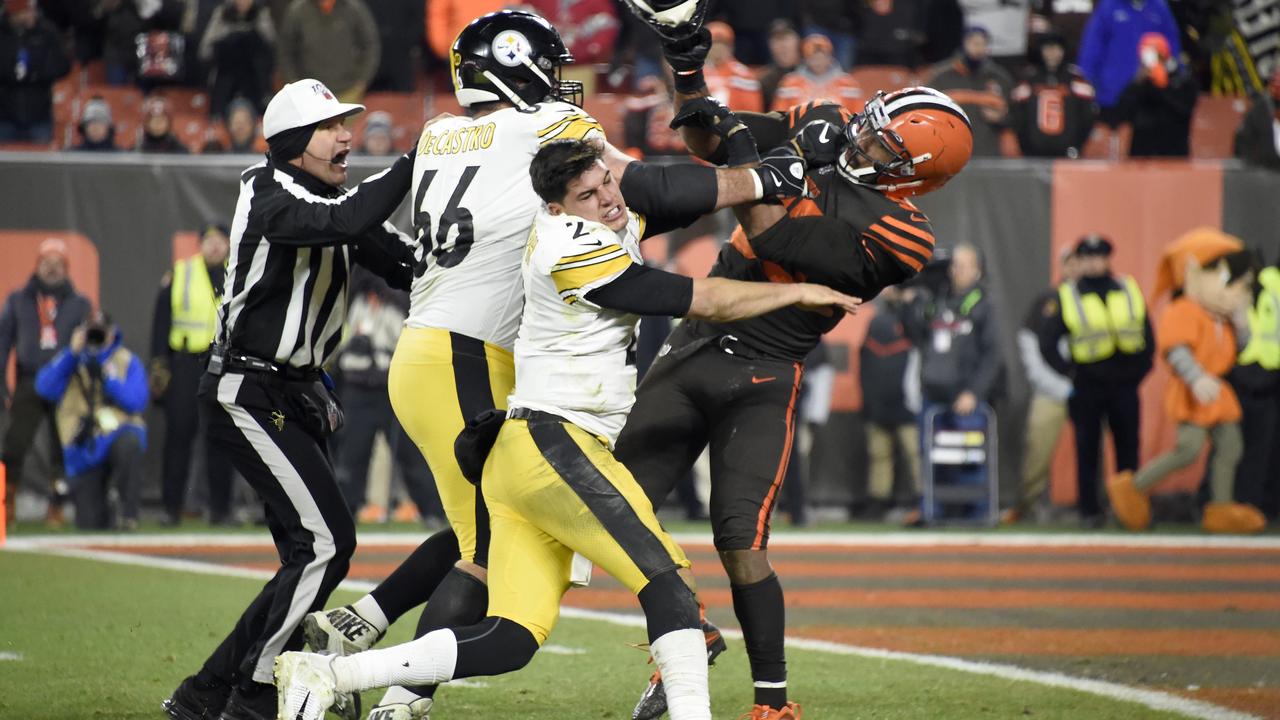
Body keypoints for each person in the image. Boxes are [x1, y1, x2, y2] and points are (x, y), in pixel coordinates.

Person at [296, 12, 807, 719]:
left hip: (444, 349)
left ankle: (363, 632)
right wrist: (754, 183)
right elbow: (643, 195)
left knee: (500, 530)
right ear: (517, 66)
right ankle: (387, 697)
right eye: (548, 65)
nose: (562, 82)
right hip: (468, 353)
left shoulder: (442, 131)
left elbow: (621, 216)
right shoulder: (543, 130)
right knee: (485, 548)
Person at [616, 18, 973, 718]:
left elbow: (770, 229)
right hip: (692, 345)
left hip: (762, 373)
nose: (862, 139)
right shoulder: (824, 120)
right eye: (869, 125)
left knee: (740, 540)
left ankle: (773, 703)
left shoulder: (902, 235)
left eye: (882, 143)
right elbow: (707, 140)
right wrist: (689, 74)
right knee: (610, 509)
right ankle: (688, 629)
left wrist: (763, 159)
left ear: (914, 172)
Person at [162, 77, 419, 720]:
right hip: (243, 388)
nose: (346, 137)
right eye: (332, 127)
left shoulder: (331, 198)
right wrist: (421, 160)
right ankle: (253, 693)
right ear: (293, 141)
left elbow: (405, 263)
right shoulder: (266, 189)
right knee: (327, 543)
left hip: (292, 393)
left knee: (310, 556)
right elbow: (346, 219)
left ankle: (206, 692)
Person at [1107, 229, 1265, 534]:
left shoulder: (1223, 319)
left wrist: (1243, 324)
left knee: (1231, 445)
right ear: (1194, 273)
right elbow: (1177, 351)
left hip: (1219, 390)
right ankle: (1132, 489)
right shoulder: (1183, 311)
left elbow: (1240, 351)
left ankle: (1221, 507)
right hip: (1196, 390)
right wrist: (1195, 379)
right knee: (1188, 449)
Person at [1039, 234, 1153, 527]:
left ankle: (1129, 510)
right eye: (1087, 258)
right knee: (1087, 451)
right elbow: (1047, 342)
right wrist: (1071, 373)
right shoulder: (1069, 294)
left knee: (1128, 451)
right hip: (1088, 385)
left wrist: (1138, 372)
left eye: (1098, 257)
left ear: (1107, 259)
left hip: (1125, 385)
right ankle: (1090, 511)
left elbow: (1147, 335)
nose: (1093, 263)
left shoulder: (1127, 288)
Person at [900, 243, 1003, 520]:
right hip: (933, 393)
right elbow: (918, 338)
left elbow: (993, 355)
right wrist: (910, 306)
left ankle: (978, 512)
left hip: (966, 396)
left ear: (978, 271)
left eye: (963, 265)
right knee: (930, 455)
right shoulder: (937, 299)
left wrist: (974, 392)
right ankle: (933, 510)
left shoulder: (983, 305)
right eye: (954, 265)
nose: (956, 270)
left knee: (970, 455)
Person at [333, 265, 442, 524]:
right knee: (353, 454)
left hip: (390, 388)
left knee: (411, 455)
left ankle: (433, 510)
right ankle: (346, 511)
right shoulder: (354, 302)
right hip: (357, 388)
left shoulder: (399, 303)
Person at [0, 238, 92, 525]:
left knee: (61, 448)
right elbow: (3, 343)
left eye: (57, 264)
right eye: (46, 263)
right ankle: (8, 501)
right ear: (37, 265)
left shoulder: (79, 303)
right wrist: (2, 382)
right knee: (15, 443)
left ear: (66, 268)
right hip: (30, 377)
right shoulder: (19, 299)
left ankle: (57, 505)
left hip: (64, 380)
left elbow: (90, 347)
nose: (51, 269)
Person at [149, 223, 235, 526]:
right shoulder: (180, 273)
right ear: (200, 244)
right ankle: (171, 509)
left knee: (221, 438)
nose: (214, 246)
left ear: (228, 244)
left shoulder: (238, 272)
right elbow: (162, 320)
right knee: (178, 437)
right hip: (186, 362)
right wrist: (160, 364)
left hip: (223, 363)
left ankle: (221, 511)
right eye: (209, 241)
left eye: (220, 241)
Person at [34, 311, 147, 530]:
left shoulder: (125, 360)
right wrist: (72, 354)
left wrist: (108, 379)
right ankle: (105, 505)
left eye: (100, 331)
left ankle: (128, 512)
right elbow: (44, 388)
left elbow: (137, 401)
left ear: (112, 333)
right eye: (91, 331)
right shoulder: (71, 360)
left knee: (129, 444)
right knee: (90, 523)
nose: (95, 336)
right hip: (85, 445)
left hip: (117, 435)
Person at [1005, 247, 1080, 524]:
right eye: (1071, 263)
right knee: (1038, 447)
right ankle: (1028, 505)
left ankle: (1092, 505)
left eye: (1080, 262)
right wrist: (1054, 384)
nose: (1077, 268)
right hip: (1052, 388)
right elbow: (1029, 343)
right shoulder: (1049, 300)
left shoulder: (1097, 298)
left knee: (1093, 450)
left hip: (1089, 387)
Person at [860, 285, 922, 520]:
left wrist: (910, 303)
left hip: (907, 402)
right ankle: (878, 501)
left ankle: (923, 498)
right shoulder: (877, 321)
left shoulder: (916, 317)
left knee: (915, 452)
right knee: (879, 453)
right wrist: (868, 398)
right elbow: (866, 362)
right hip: (878, 400)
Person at [1076, 0, 1181, 124]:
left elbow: (1172, 48)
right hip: (1112, 93)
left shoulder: (1159, 7)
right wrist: (1087, 81)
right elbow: (1091, 48)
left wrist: (1173, 81)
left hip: (1149, 97)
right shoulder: (1109, 6)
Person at [1231, 262, 1280, 521]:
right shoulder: (1265, 283)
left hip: (1267, 378)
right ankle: (1241, 504)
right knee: (1238, 447)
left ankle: (1261, 505)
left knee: (1265, 449)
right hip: (1251, 375)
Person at [1009, 30, 1098, 158]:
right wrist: (1026, 147)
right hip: (1034, 154)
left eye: (1056, 49)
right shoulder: (1028, 79)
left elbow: (1088, 115)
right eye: (1048, 49)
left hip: (1067, 153)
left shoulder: (1076, 79)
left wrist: (1077, 145)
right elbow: (1018, 116)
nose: (1052, 54)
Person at [928, 26, 1014, 157]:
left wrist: (1002, 118)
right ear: (963, 43)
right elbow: (925, 112)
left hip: (987, 151)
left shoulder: (1000, 77)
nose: (978, 48)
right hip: (949, 150)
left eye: (983, 44)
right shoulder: (941, 76)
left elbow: (1015, 116)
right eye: (974, 43)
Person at [277, 0, 379, 102]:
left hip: (348, 90)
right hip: (310, 94)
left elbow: (370, 43)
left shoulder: (353, 7)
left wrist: (362, 80)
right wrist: (293, 81)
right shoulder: (297, 10)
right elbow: (285, 50)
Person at [1114, 32, 1197, 158]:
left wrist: (1162, 86)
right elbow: (1122, 114)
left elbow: (1184, 109)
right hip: (1142, 155)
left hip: (1173, 154)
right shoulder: (1141, 83)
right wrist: (1137, 84)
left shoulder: (1182, 81)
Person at [0, 0, 71, 144]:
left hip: (39, 115)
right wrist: (12, 74)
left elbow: (63, 65)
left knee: (41, 163)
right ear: (12, 14)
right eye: (24, 12)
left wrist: (36, 74)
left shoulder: (47, 32)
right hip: (5, 115)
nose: (30, 15)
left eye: (31, 11)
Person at [199, 0, 276, 118]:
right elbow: (205, 50)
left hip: (254, 79)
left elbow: (271, 46)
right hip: (226, 76)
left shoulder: (261, 13)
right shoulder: (222, 13)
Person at [771, 33, 863, 113]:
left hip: (839, 131)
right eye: (813, 58)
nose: (818, 62)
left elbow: (858, 116)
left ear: (830, 57)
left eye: (821, 57)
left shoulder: (848, 84)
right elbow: (779, 115)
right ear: (806, 59)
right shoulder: (790, 83)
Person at [702, 21, 763, 113]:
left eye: (722, 44)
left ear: (731, 47)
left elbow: (752, 114)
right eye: (714, 44)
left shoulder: (744, 75)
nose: (717, 49)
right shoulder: (696, 73)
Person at [1234, 67, 1280, 169]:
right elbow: (1243, 141)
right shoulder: (1260, 109)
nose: (1277, 85)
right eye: (1275, 81)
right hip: (1265, 171)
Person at [758, 19, 800, 110]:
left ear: (797, 40)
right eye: (777, 39)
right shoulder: (765, 80)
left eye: (786, 38)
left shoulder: (810, 73)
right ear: (770, 45)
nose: (783, 45)